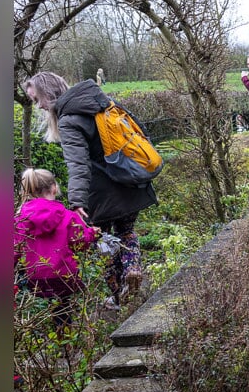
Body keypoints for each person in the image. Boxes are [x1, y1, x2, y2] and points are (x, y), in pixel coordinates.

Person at [24, 71, 158, 310]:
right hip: (130, 180)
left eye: (38, 99)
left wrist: (77, 202)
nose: (40, 106)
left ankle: (118, 298)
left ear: (48, 93)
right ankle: (133, 269)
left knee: (100, 241)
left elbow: (78, 165)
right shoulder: (100, 102)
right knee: (126, 232)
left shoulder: (68, 119)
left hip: (101, 193)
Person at [14, 168, 99, 325]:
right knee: (63, 308)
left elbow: (14, 249)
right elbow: (79, 242)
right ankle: (66, 340)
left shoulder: (20, 219)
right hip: (64, 275)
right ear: (54, 188)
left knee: (48, 309)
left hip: (35, 277)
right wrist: (93, 234)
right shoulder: (67, 215)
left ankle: (54, 336)